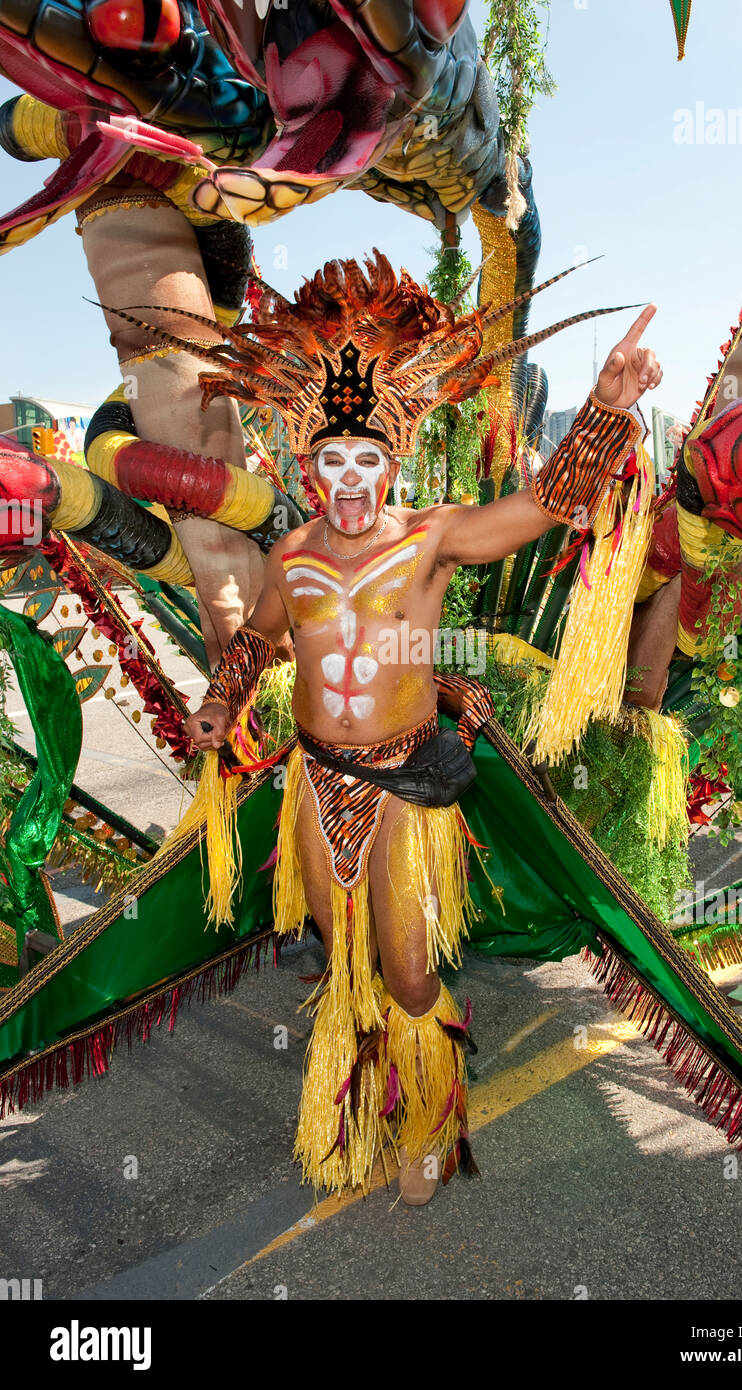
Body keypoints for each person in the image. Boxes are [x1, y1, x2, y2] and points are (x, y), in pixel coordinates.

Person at [183, 252, 662, 1205]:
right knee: (342, 962)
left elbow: (546, 508)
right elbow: (260, 644)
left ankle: (433, 1121)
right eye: (332, 461)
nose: (349, 478)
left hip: (407, 782)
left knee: (405, 972)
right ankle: (359, 1113)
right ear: (311, 466)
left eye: (367, 460)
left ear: (390, 465)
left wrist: (606, 410)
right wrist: (219, 702)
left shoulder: (431, 535)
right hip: (318, 784)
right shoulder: (291, 552)